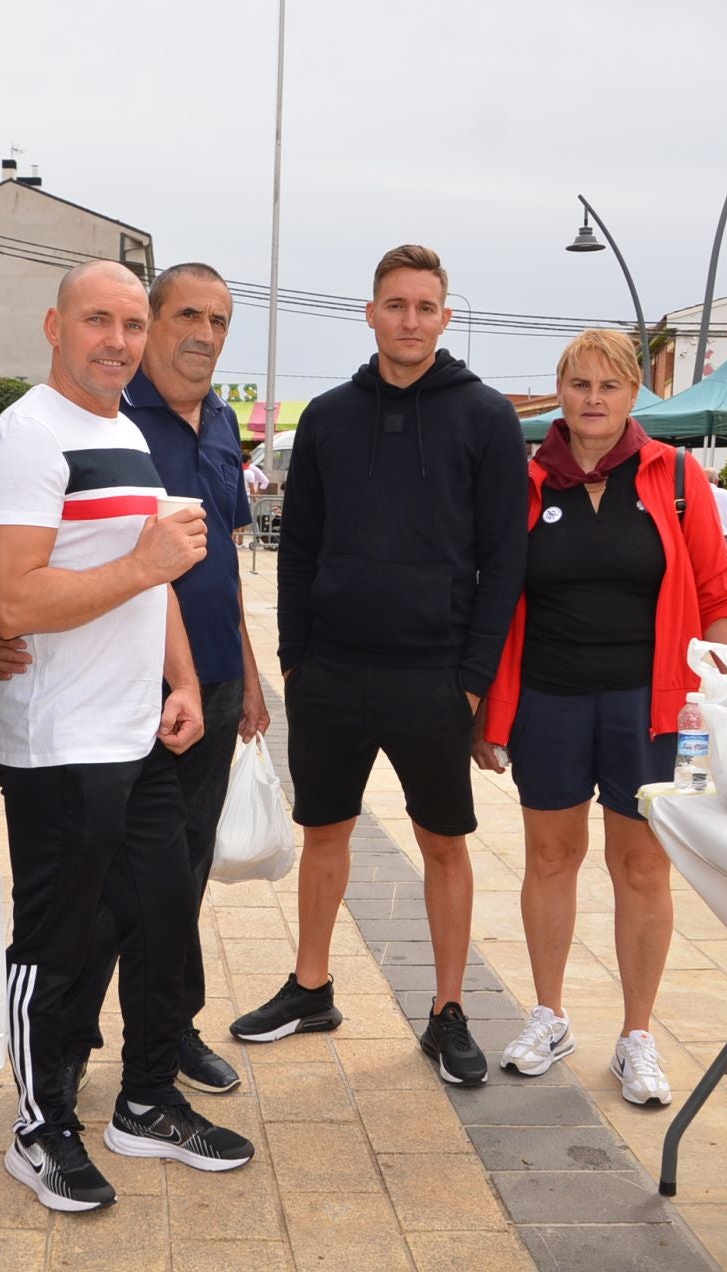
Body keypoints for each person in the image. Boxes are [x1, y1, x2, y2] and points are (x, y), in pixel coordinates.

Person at [0, 260, 257, 1213]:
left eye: (131, 324)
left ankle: (144, 1101)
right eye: (99, 320)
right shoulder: (26, 437)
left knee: (161, 913)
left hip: (137, 732)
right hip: (58, 744)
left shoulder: (125, 430)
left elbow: (160, 576)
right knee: (61, 939)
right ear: (53, 326)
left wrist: (182, 679)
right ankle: (39, 1123)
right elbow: (14, 598)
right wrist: (143, 563)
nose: (119, 341)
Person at [230, 244, 528, 1088]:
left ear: (444, 316)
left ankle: (447, 1012)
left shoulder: (485, 417)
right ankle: (312, 986)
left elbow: (504, 559)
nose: (409, 319)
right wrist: (296, 658)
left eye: (425, 306)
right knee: (323, 831)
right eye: (394, 304)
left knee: (445, 843)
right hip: (331, 674)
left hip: (435, 675)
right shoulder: (327, 417)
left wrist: (470, 677)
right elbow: (300, 549)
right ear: (370, 313)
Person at [474, 328, 727, 1108]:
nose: (593, 400)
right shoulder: (525, 484)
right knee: (551, 860)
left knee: (640, 868)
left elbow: (722, 598)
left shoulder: (677, 477)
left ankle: (637, 1036)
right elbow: (493, 601)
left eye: (610, 386)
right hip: (550, 701)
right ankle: (550, 1015)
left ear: (634, 396)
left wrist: (719, 694)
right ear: (560, 392)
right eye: (580, 385)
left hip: (651, 707)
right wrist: (488, 712)